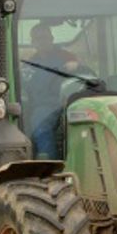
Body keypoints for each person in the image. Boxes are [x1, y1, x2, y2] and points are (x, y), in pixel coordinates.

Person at [23, 23, 79, 159]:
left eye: (45, 38)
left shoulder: (67, 57)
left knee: (41, 127)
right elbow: (25, 86)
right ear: (33, 42)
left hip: (64, 103)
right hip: (41, 105)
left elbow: (86, 76)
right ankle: (42, 160)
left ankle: (55, 163)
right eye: (38, 38)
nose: (42, 41)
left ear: (52, 39)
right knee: (34, 123)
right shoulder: (30, 64)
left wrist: (77, 66)